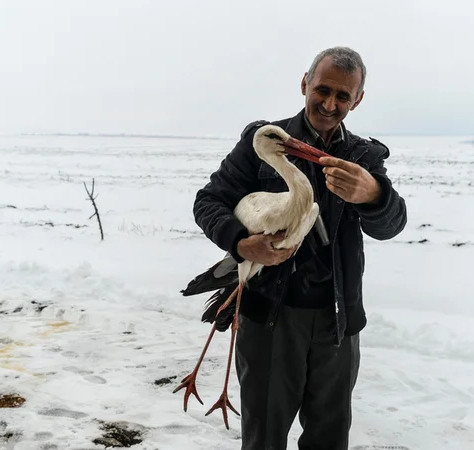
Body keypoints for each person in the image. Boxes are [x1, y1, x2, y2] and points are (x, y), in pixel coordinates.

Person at [191, 46, 408, 449]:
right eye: (322, 89)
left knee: (329, 436)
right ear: (304, 83)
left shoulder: (363, 157)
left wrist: (374, 194)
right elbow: (208, 201)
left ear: (357, 100)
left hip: (337, 323)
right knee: (264, 437)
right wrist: (242, 242)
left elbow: (392, 224)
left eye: (343, 96)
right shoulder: (263, 142)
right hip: (270, 316)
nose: (329, 104)